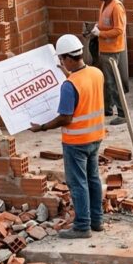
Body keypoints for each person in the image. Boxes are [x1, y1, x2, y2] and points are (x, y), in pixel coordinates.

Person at [31, 34, 106, 239]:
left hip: (76, 142)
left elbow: (65, 117)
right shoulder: (96, 73)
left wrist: (43, 127)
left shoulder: (69, 86)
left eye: (62, 59)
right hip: (95, 137)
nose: (62, 63)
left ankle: (82, 227)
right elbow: (84, 89)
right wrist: (67, 74)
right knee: (93, 179)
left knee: (78, 183)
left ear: (68, 58)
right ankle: (97, 221)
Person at [89, 0, 128, 126]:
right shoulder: (104, 4)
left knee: (113, 83)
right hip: (104, 49)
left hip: (113, 50)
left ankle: (122, 114)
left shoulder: (116, 7)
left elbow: (119, 30)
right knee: (106, 82)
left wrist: (101, 34)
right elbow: (104, 22)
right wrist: (96, 28)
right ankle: (108, 109)